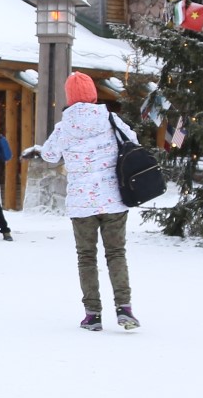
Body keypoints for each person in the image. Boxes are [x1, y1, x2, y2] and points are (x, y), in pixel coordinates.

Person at [38, 72, 139, 331]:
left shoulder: (64, 126)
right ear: (93, 94)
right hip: (114, 199)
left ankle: (92, 314)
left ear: (69, 97)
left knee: (86, 257)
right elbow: (133, 142)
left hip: (82, 204)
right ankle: (124, 309)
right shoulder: (110, 118)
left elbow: (49, 156)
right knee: (116, 253)